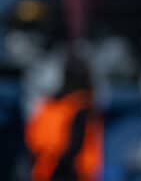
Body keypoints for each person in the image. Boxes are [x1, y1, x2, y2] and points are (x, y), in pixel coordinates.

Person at [26, 53, 103, 181]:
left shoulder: (50, 106)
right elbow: (75, 145)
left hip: (48, 170)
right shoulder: (79, 107)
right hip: (67, 172)